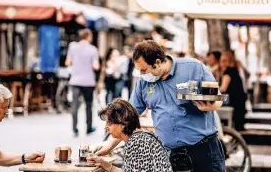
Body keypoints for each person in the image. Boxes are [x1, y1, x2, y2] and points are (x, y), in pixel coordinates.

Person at [96, 40, 225, 172]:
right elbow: (126, 118)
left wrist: (210, 106)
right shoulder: (143, 83)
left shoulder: (193, 67)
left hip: (204, 150)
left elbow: (217, 98)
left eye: (144, 70)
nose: (141, 75)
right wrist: (109, 146)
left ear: (157, 62)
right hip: (171, 154)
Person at [88, 99, 173, 172]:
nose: (105, 127)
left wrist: (107, 166)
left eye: (109, 123)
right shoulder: (140, 137)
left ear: (123, 123)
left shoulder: (137, 142)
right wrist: (104, 164)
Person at [65, 28, 100, 137]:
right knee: (88, 105)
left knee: (75, 105)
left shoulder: (72, 47)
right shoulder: (93, 49)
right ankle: (88, 127)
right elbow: (96, 66)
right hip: (88, 81)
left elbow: (67, 62)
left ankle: (75, 129)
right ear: (89, 37)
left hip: (75, 80)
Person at [219, 51, 247, 131]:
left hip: (232, 103)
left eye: (224, 61)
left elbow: (223, 88)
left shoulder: (228, 72)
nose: (222, 63)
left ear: (230, 61)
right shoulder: (236, 71)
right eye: (221, 61)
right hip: (239, 104)